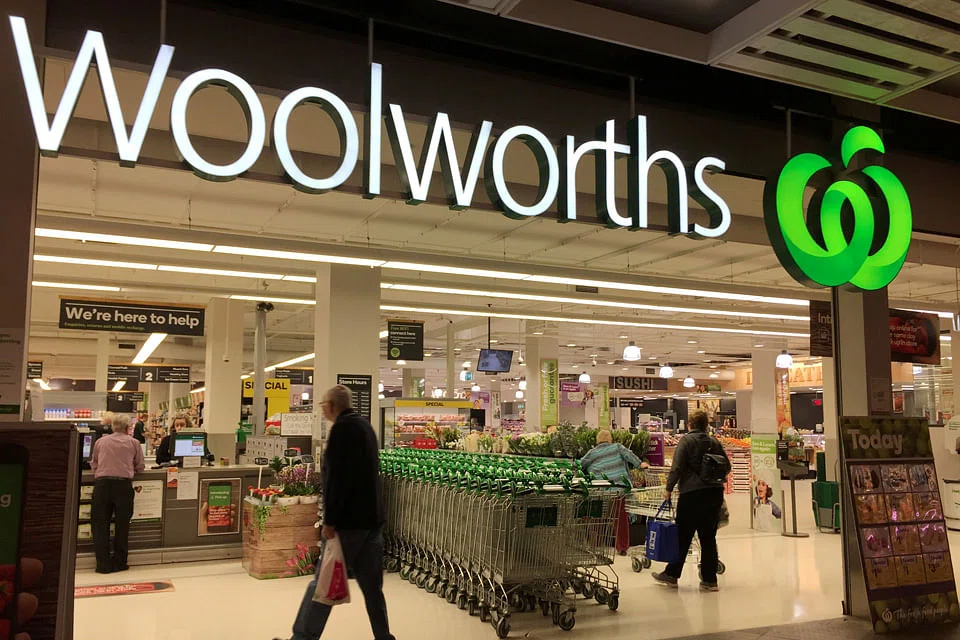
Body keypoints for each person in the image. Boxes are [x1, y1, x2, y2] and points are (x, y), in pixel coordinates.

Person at [277, 385, 394, 640]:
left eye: (323, 405)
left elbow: (337, 481)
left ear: (331, 405)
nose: (323, 410)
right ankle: (384, 636)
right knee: (373, 589)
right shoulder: (366, 427)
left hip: (348, 524)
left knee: (323, 582)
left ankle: (302, 637)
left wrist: (329, 521)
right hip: (372, 521)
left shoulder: (341, 431)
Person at [652, 411, 729, 592]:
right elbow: (727, 466)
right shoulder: (714, 442)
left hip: (692, 494)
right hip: (714, 494)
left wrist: (668, 489)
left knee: (683, 535)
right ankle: (710, 580)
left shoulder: (686, 441)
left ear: (690, 425)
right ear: (706, 425)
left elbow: (677, 467)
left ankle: (672, 574)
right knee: (708, 537)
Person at [90, 413, 144, 573]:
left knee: (100, 525)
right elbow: (140, 467)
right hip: (123, 486)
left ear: (112, 427)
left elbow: (94, 464)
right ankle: (120, 562)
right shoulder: (134, 443)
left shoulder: (100, 442)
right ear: (128, 428)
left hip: (102, 485)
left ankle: (102, 564)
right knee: (122, 525)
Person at [580, 429, 641, 555]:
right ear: (610, 439)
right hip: (619, 489)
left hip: (600, 490)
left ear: (597, 440)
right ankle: (622, 547)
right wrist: (640, 464)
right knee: (620, 518)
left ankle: (596, 543)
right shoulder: (617, 447)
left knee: (597, 516)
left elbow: (580, 464)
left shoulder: (592, 452)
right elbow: (630, 456)